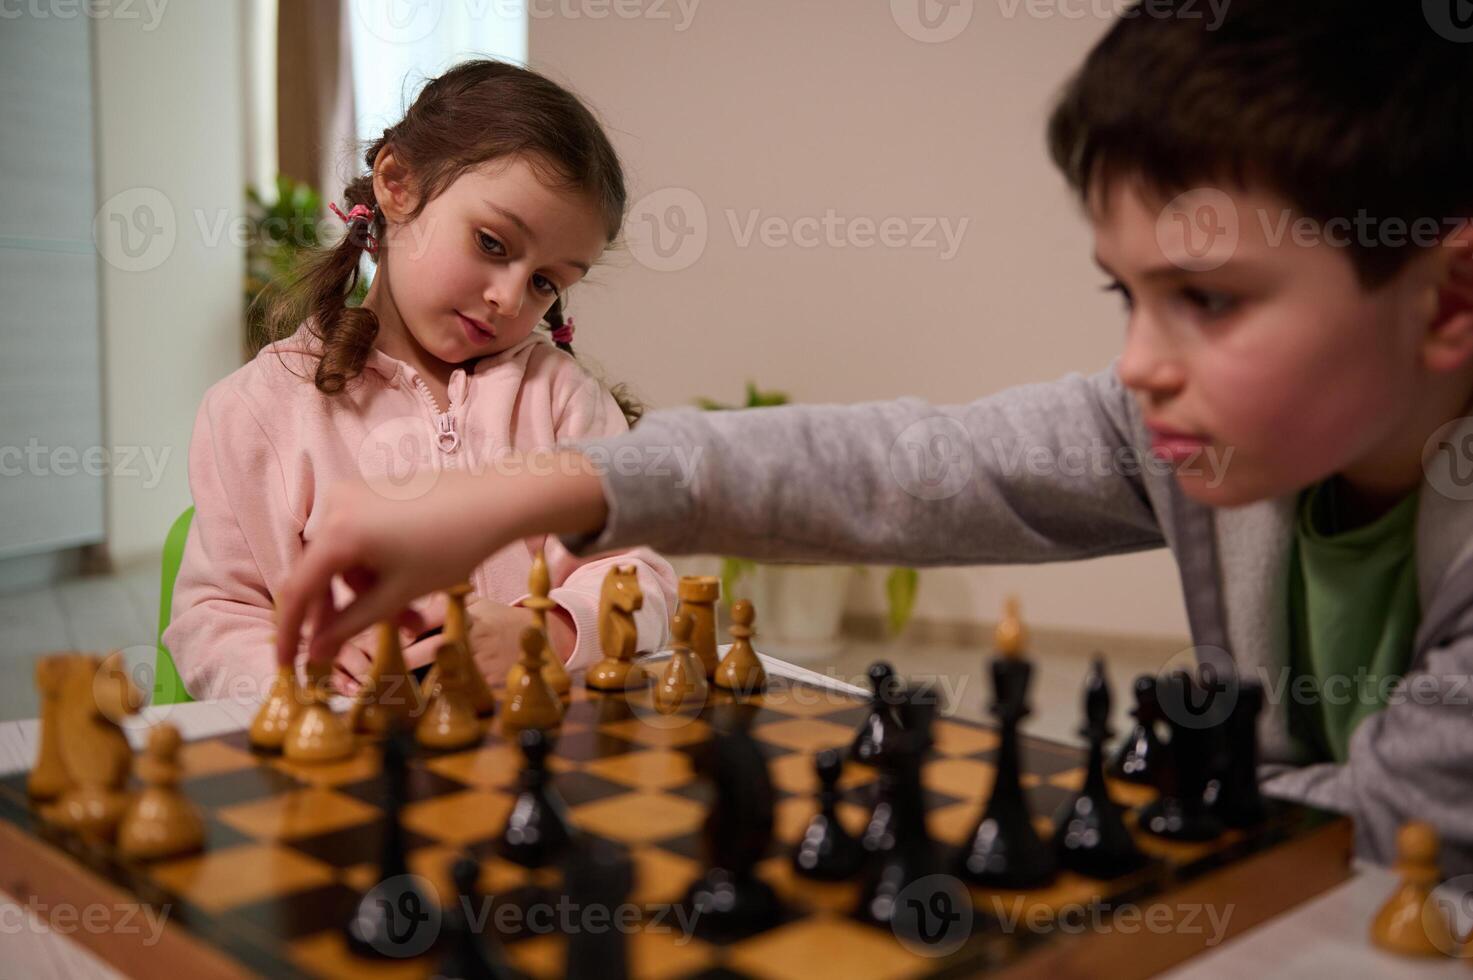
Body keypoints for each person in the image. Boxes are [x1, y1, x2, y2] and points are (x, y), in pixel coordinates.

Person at [275, 3, 1473, 868]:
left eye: (1206, 299)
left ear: (1449, 298)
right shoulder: (1187, 426)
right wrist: (515, 493)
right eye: (1130, 295)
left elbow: (1392, 820)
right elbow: (901, 469)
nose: (1143, 363)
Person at [165, 60, 677, 700]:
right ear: (396, 184)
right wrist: (306, 670)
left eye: (547, 282)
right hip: (358, 767)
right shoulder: (256, 410)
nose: (509, 298)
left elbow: (641, 574)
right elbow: (215, 618)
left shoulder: (564, 400)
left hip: (532, 759)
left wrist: (546, 631)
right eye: (492, 243)